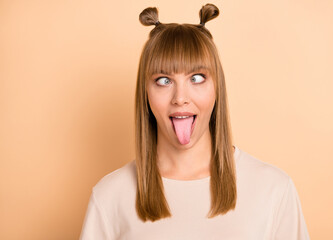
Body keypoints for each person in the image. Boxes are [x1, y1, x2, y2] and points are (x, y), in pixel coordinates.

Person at [80, 4, 310, 240]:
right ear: (145, 93)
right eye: (163, 80)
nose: (181, 98)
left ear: (216, 88)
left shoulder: (274, 190)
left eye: (197, 78)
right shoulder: (109, 196)